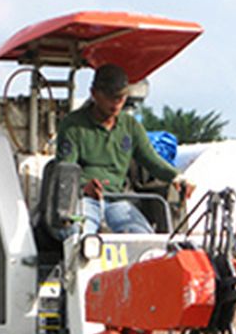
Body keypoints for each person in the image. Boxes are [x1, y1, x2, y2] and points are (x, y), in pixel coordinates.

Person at [56, 63, 193, 234]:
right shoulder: (73, 126)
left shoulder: (130, 126)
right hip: (84, 200)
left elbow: (152, 160)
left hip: (117, 200)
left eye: (120, 98)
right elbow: (65, 170)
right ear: (94, 94)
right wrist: (83, 187)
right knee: (80, 235)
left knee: (144, 237)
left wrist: (177, 177)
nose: (116, 104)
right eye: (110, 98)